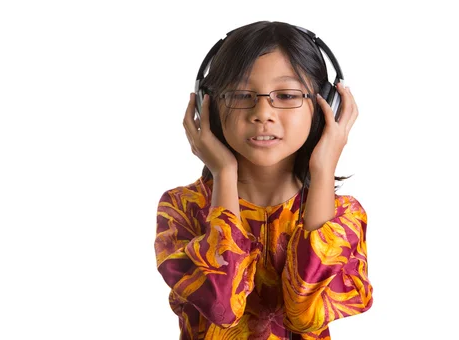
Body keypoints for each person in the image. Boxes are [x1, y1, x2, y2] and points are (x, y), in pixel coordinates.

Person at [154, 21, 372, 340]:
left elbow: (305, 312)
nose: (262, 112)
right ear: (208, 107)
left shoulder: (343, 216)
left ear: (327, 106)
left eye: (286, 94)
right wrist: (224, 174)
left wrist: (324, 168)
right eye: (241, 94)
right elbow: (222, 306)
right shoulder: (181, 209)